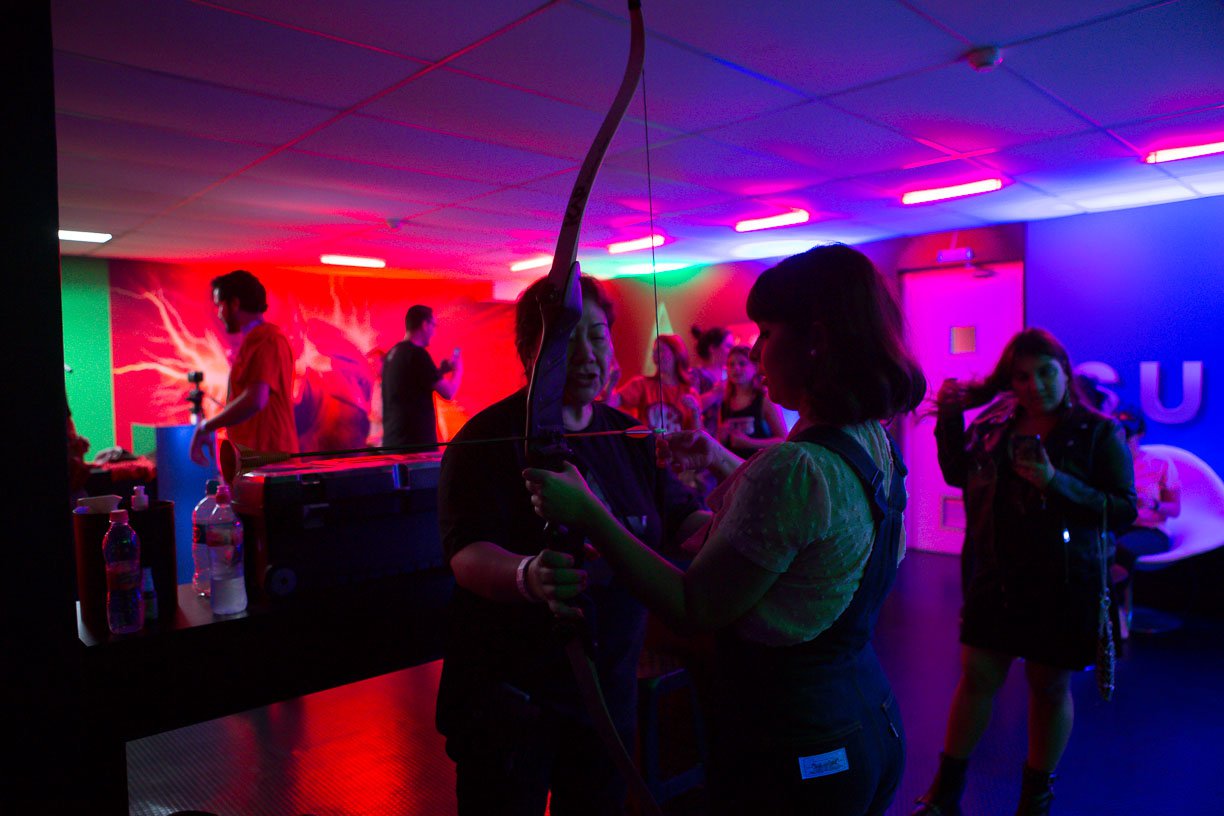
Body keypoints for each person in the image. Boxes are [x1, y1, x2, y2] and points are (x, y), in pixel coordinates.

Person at [525, 244, 925, 815]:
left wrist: (588, 511)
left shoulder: (794, 468)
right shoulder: (869, 439)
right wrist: (719, 458)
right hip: (869, 721)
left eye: (768, 332)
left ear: (815, 340)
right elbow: (815, 520)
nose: (756, 351)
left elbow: (693, 606)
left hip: (797, 746)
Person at [434, 275, 708, 816]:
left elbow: (683, 519)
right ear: (529, 351)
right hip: (509, 700)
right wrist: (528, 576)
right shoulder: (486, 438)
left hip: (606, 695)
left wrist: (743, 517)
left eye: (597, 336)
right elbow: (466, 553)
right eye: (566, 338)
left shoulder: (627, 436)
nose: (587, 355)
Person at [915, 328, 1137, 816]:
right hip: (995, 575)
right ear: (1009, 381)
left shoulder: (1098, 431)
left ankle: (1034, 802)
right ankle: (944, 795)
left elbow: (1123, 509)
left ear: (1064, 371)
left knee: (1049, 687)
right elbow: (958, 474)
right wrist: (949, 419)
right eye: (1021, 376)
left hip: (1063, 582)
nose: (1034, 385)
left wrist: (1055, 482)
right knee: (976, 679)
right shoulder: (994, 424)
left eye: (1044, 372)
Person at [190, 270, 297, 466]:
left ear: (235, 303)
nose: (219, 314)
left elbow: (255, 400)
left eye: (220, 305)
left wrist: (206, 426)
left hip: (270, 464)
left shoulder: (268, 340)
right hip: (256, 462)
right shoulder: (254, 341)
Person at [1111, 406, 1180, 632]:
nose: (1123, 441)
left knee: (1122, 548)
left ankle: (1116, 613)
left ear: (1139, 434)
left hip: (1151, 531)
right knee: (1098, 544)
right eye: (1119, 435)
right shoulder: (1109, 464)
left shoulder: (1160, 463)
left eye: (1128, 435)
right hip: (1118, 526)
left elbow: (1174, 509)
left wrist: (1153, 503)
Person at [381, 305, 462, 451]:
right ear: (425, 325)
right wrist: (458, 370)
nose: (434, 332)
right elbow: (448, 392)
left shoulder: (393, 353)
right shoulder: (418, 355)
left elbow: (411, 383)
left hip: (393, 443)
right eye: (434, 325)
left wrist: (440, 372)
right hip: (415, 447)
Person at [607, 333, 700, 433]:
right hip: (647, 443)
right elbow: (609, 404)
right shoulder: (642, 384)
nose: (655, 356)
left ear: (676, 354)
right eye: (654, 352)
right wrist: (611, 383)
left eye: (660, 351)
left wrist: (695, 412)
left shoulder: (690, 393)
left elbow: (698, 436)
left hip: (676, 444)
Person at [716, 343, 786, 459]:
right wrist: (721, 438)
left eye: (742, 363)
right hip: (732, 467)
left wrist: (749, 443)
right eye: (731, 364)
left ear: (755, 367)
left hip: (761, 466)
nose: (736, 368)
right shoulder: (725, 403)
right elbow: (720, 444)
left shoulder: (764, 400)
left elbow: (783, 440)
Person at [691, 325, 734, 434]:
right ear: (712, 348)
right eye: (728, 346)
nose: (732, 351)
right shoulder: (696, 375)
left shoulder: (731, 374)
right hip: (705, 436)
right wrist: (715, 393)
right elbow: (690, 408)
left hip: (729, 438)